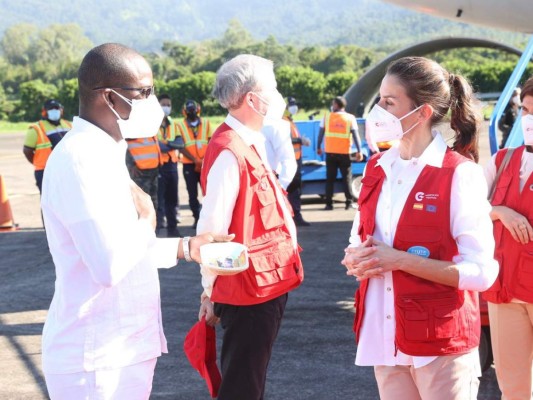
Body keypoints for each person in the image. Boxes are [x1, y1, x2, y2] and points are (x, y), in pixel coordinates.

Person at [40, 43, 233, 400]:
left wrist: (185, 247)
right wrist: (147, 218)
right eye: (143, 92)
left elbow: (118, 246)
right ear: (109, 97)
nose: (153, 101)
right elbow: (109, 265)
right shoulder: (81, 160)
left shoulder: (106, 152)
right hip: (96, 360)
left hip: (119, 349)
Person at [342, 56, 499, 400]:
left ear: (423, 112)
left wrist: (398, 260)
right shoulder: (376, 168)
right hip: (386, 338)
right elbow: (360, 238)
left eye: (389, 101)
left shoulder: (459, 174)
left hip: (440, 346)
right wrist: (356, 258)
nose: (378, 110)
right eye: (379, 99)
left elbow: (482, 273)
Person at [197, 54, 304, 400]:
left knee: (250, 377)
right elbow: (211, 230)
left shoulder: (249, 141)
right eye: (270, 89)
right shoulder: (229, 150)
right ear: (251, 99)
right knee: (243, 384)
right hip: (247, 291)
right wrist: (209, 291)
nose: (276, 95)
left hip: (265, 284)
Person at [483, 76, 533, 399]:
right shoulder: (502, 160)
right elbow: (467, 207)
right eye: (526, 110)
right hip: (505, 291)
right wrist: (501, 211)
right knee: (513, 388)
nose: (530, 119)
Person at [316, 96, 363, 210]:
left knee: (330, 179)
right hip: (344, 153)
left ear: (336, 105)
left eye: (333, 103)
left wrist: (318, 147)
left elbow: (321, 133)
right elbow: (356, 136)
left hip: (330, 152)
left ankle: (329, 204)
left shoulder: (327, 117)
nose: (332, 105)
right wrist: (359, 151)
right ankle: (348, 202)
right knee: (346, 178)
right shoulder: (350, 118)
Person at [175, 99, 213, 229]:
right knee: (192, 194)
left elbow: (211, 142)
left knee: (208, 193)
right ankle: (197, 219)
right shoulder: (179, 126)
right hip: (188, 165)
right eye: (189, 110)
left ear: (198, 109)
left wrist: (203, 160)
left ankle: (208, 220)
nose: (192, 112)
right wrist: (195, 159)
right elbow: (180, 146)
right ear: (185, 112)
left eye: (193, 109)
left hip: (204, 164)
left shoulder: (207, 123)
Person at [22, 99, 71, 194]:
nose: (54, 110)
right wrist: (38, 163)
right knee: (48, 204)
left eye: (56, 108)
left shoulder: (68, 125)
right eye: (51, 109)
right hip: (45, 171)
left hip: (66, 169)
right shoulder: (36, 128)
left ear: (61, 110)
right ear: (44, 112)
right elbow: (27, 151)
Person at [156, 93, 181, 237]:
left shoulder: (174, 124)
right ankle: (158, 231)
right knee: (160, 202)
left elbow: (181, 143)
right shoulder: (152, 124)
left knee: (172, 199)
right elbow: (159, 147)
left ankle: (173, 230)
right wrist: (172, 145)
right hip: (159, 165)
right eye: (163, 104)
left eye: (168, 105)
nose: (166, 107)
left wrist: (167, 145)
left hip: (172, 166)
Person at [284, 96, 311, 226]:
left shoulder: (290, 121)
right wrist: (301, 141)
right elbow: (286, 140)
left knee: (295, 190)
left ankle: (295, 215)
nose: (294, 107)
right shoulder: (283, 121)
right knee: (293, 190)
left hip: (296, 159)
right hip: (290, 161)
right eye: (291, 104)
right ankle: (294, 216)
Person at [125, 133, 160, 211]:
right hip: (140, 173)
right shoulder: (132, 129)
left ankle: (155, 222)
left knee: (153, 200)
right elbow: (123, 145)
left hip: (153, 170)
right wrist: (130, 165)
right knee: (142, 201)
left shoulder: (149, 129)